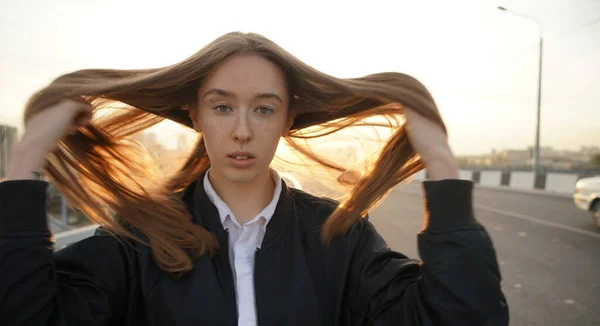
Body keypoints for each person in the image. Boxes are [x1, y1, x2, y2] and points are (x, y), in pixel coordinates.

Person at [0, 32, 508, 325]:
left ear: (287, 120)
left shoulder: (340, 237)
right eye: (222, 107)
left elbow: (462, 317)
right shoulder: (138, 241)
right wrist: (24, 162)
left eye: (264, 110)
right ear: (195, 116)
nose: (242, 131)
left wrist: (440, 163)